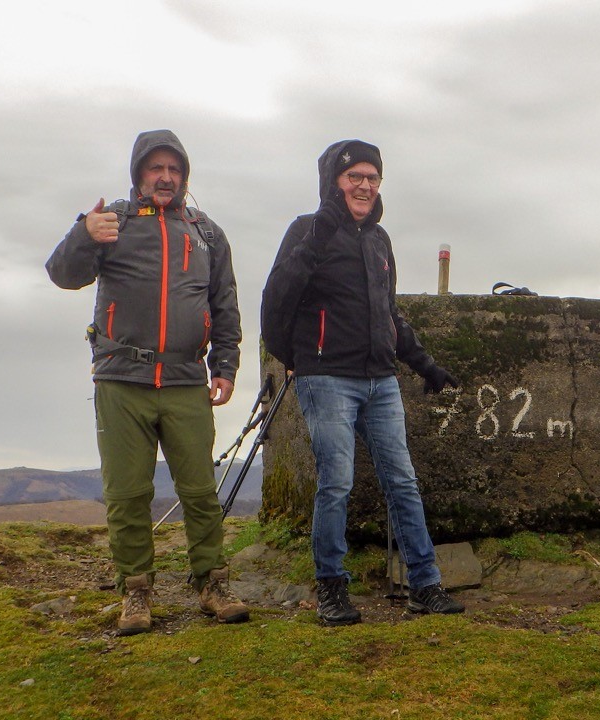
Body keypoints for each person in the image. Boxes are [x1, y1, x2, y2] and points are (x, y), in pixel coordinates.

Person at [46, 129, 249, 636]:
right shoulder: (111, 223)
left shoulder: (207, 234)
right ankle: (135, 593)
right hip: (122, 378)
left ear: (184, 177)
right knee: (128, 494)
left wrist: (225, 367)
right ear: (139, 174)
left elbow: (224, 305)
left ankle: (212, 584)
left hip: (185, 378)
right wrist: (82, 232)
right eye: (155, 168)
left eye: (174, 169)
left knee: (201, 490)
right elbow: (63, 275)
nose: (165, 177)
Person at [261, 139, 465, 626]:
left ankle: (425, 584)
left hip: (380, 380)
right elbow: (276, 299)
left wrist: (423, 364)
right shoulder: (305, 230)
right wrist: (294, 359)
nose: (365, 185)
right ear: (334, 180)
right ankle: (331, 588)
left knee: (404, 482)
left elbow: (388, 315)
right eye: (355, 176)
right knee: (336, 484)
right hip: (327, 377)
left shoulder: (379, 240)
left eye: (373, 178)